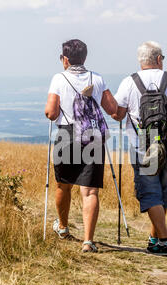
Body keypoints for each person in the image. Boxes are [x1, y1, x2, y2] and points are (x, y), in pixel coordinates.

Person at [112, 41, 167, 255]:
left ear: (140, 61)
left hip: (143, 146)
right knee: (162, 194)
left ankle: (162, 240)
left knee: (151, 194)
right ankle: (159, 240)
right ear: (159, 59)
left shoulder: (129, 82)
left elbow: (118, 114)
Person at [45, 39, 118, 253]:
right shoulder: (97, 79)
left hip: (67, 135)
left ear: (65, 59)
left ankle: (63, 227)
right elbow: (112, 108)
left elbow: (51, 112)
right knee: (90, 191)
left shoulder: (59, 79)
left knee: (63, 184)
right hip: (93, 136)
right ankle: (88, 241)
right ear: (84, 58)